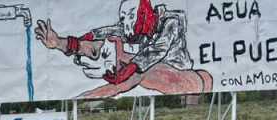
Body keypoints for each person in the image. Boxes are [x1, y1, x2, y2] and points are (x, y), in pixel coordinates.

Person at [34, 0, 212, 99]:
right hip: (164, 80)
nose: (125, 23)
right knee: (125, 77)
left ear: (142, 13)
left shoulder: (171, 22)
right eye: (123, 18)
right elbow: (98, 34)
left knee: (136, 73)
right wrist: (60, 43)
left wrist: (128, 70)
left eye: (128, 16)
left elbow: (158, 49)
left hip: (191, 79)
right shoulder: (131, 30)